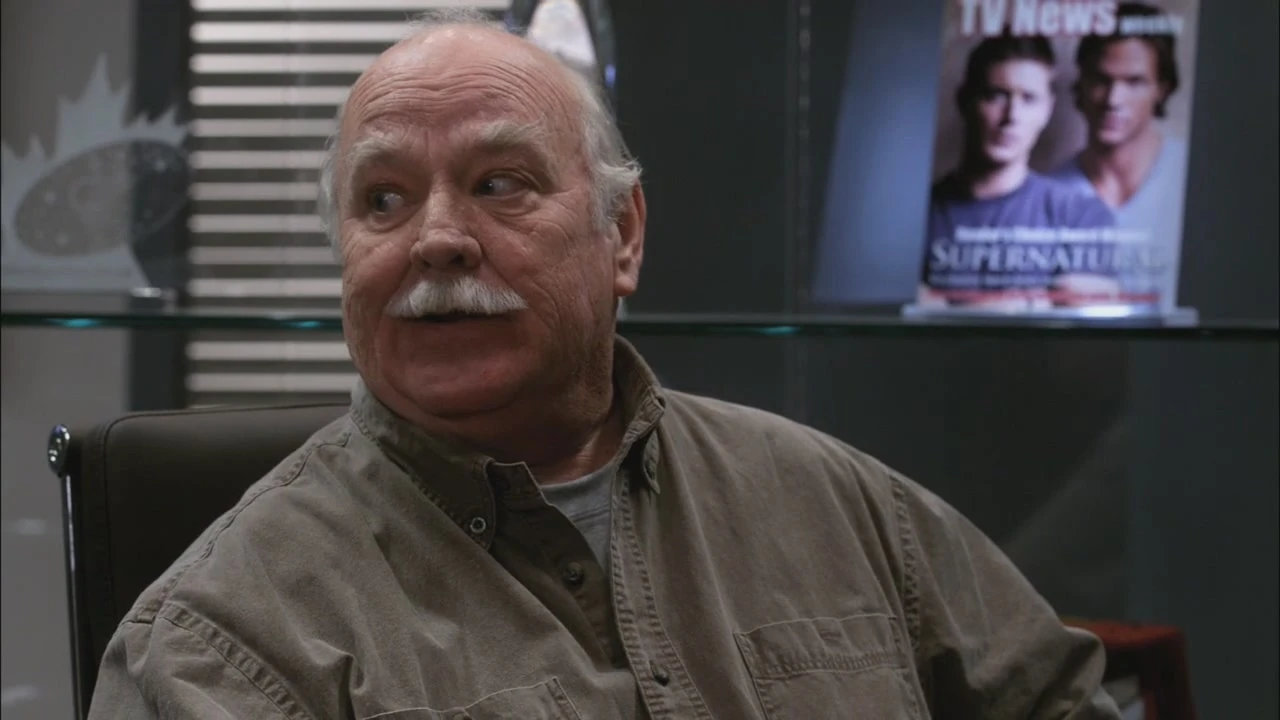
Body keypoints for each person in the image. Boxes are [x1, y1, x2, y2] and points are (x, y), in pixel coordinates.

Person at [89, 11, 1121, 719]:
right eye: (384, 200)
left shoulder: (839, 507)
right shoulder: (223, 642)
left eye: (499, 183)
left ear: (621, 235)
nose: (436, 239)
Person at [922, 34, 1116, 310]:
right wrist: (1034, 302)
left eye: (1029, 99)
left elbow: (1091, 315)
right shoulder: (918, 215)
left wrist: (947, 308)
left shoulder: (1080, 216)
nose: (1011, 116)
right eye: (995, 96)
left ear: (1047, 110)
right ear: (965, 101)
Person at [1052, 2, 1188, 306]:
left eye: (1134, 82)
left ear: (1162, 89)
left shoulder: (1190, 175)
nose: (1113, 100)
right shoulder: (1049, 193)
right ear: (1082, 83)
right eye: (1101, 80)